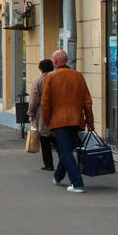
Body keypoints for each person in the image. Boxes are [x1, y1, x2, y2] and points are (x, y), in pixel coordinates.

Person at [41, 49, 94, 193]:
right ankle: (58, 176)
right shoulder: (78, 76)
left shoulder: (50, 77)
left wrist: (46, 122)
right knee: (68, 150)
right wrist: (90, 121)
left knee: (65, 152)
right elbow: (87, 101)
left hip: (59, 121)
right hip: (76, 120)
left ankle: (77, 183)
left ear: (56, 62)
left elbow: (45, 103)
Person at [27, 59, 56, 171]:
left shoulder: (39, 81)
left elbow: (34, 100)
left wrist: (31, 113)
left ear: (40, 69)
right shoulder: (57, 79)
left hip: (43, 114)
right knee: (57, 139)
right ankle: (65, 162)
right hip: (57, 113)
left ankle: (49, 164)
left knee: (45, 139)